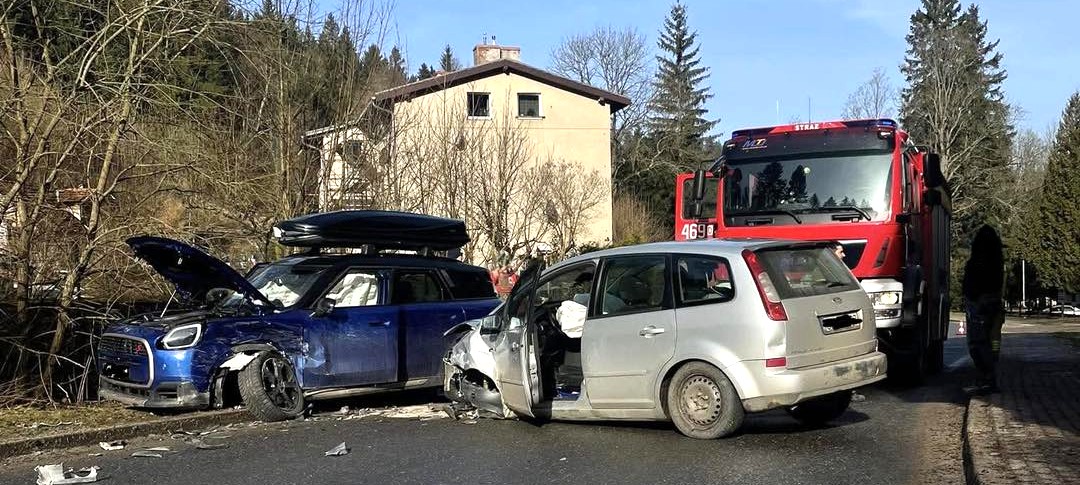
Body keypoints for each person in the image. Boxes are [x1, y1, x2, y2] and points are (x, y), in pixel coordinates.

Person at [962, 224, 1005, 394]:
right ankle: (988, 377)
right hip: (991, 303)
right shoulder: (997, 261)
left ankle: (987, 379)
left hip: (979, 304)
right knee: (987, 341)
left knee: (978, 343)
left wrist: (971, 298)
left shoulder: (978, 262)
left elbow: (972, 284)